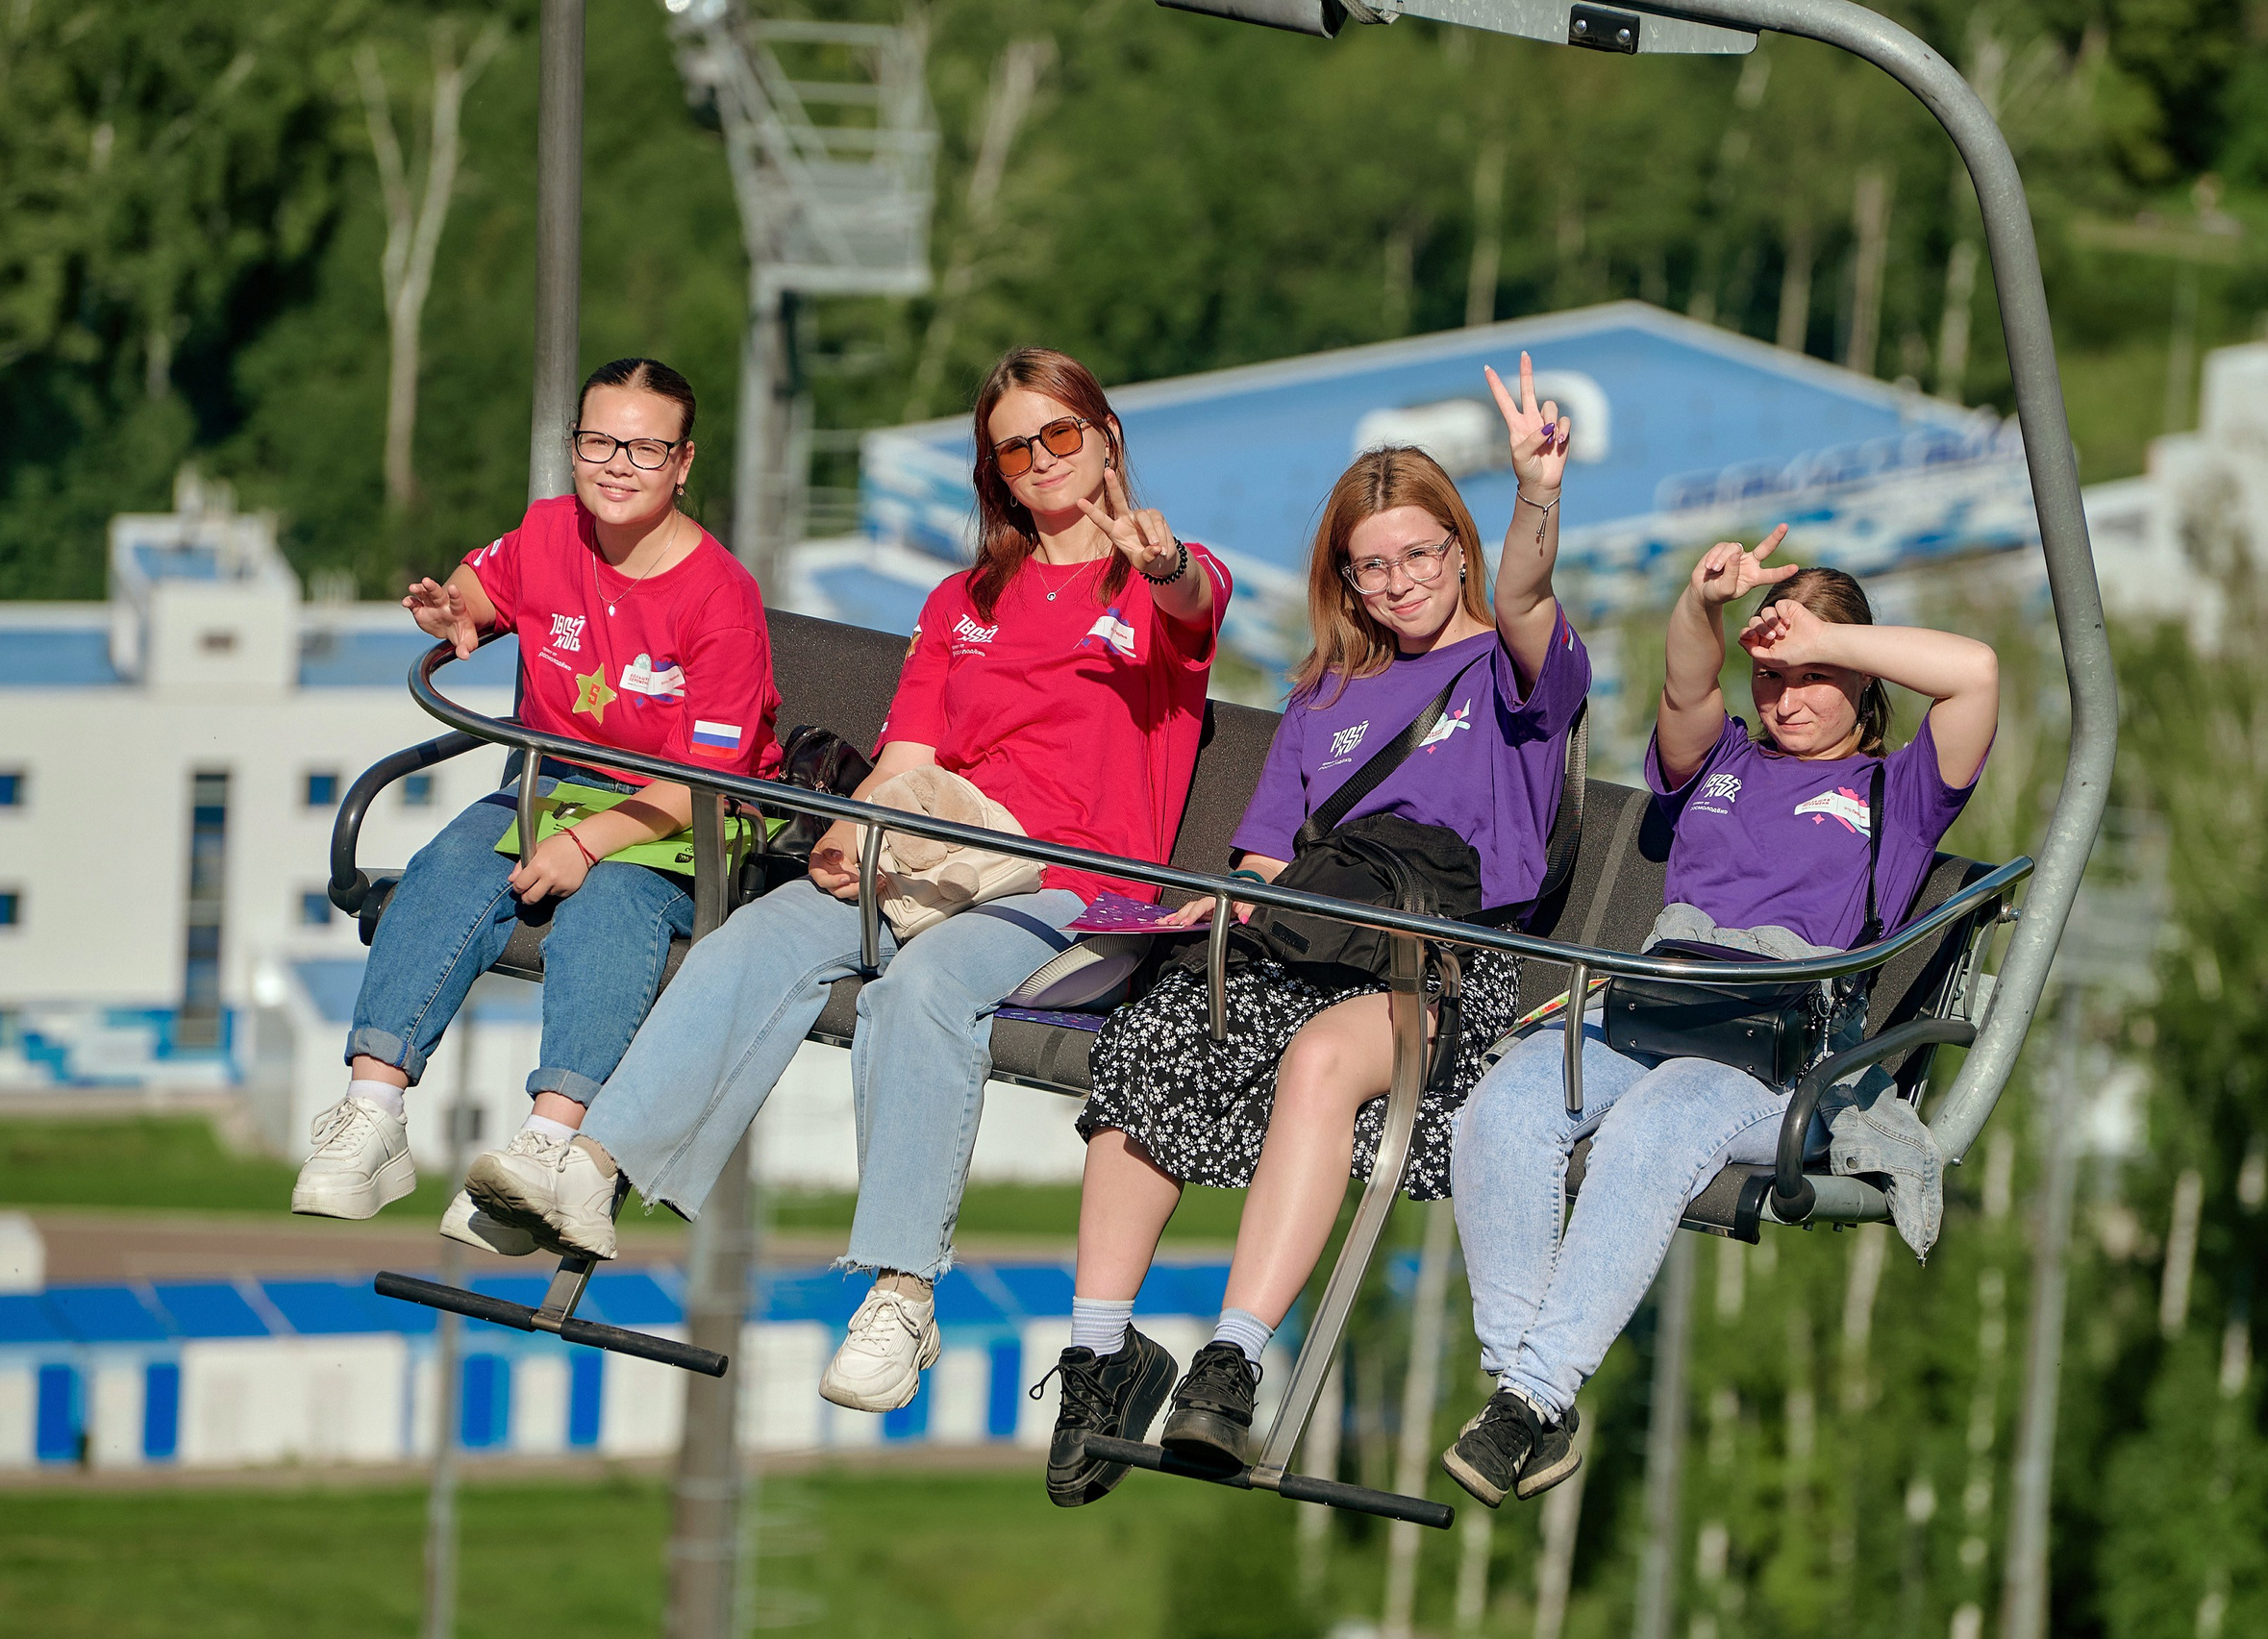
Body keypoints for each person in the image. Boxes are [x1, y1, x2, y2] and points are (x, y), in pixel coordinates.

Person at [463, 346, 1229, 1413]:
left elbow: (1193, 605)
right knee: (753, 942)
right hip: (925, 851)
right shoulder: (963, 600)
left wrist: (1161, 564)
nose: (1043, 459)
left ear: (1103, 438)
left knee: (919, 992)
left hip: (1064, 883)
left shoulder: (1152, 585)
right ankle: (594, 1171)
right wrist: (850, 832)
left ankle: (898, 1291)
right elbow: (911, 758)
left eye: (1062, 433)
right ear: (994, 470)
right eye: (1017, 446)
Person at [1038, 354, 1591, 1509]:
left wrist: (1535, 489)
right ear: (1344, 576)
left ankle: (1230, 1361)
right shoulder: (1328, 695)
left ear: (1458, 548)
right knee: (1153, 1033)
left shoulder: (1513, 673)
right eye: (1370, 566)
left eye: (1419, 556)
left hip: (1439, 967)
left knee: (1322, 1059)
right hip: (1310, 936)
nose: (1397, 585)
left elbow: (1532, 598)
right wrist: (1226, 900)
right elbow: (1268, 854)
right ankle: (1099, 1354)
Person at [1437, 530, 1999, 1508]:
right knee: (1505, 1106)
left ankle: (1529, 1394)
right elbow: (1688, 687)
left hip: (1776, 1053)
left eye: (1815, 676)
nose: (1787, 697)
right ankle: (1525, 1395)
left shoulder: (1895, 795)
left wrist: (1828, 637)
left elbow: (1975, 674)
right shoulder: (1721, 758)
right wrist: (1703, 604)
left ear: (1862, 684)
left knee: (1655, 1131)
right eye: (1772, 674)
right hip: (1654, 1013)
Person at [289, 358, 783, 1255]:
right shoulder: (552, 530)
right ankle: (373, 1112)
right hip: (549, 789)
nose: (617, 465)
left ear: (684, 462)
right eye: (598, 441)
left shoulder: (720, 598)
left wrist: (589, 845)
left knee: (608, 905)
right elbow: (487, 589)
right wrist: (452, 609)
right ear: (574, 447)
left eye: (645, 448)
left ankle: (551, 1142)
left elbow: (706, 781)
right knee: (448, 862)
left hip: (685, 820)